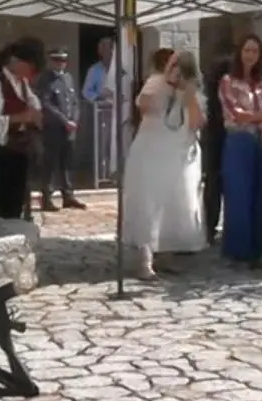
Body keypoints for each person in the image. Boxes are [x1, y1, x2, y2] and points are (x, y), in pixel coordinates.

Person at [121, 51, 206, 279]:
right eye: (174, 65)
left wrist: (188, 96)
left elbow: (196, 122)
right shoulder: (155, 82)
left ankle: (166, 255)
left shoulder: (192, 91)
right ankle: (145, 260)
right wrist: (167, 86)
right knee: (149, 203)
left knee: (174, 205)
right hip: (152, 152)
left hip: (178, 155)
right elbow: (143, 106)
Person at [219, 35, 262, 265]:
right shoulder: (228, 81)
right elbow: (235, 114)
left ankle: (256, 251)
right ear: (239, 53)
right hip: (239, 141)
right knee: (239, 195)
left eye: (255, 51)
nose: (251, 55)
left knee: (260, 196)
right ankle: (237, 252)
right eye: (247, 50)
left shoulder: (260, 84)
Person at [0, 38, 44, 219]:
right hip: (2, 150)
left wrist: (35, 116)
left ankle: (13, 226)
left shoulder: (23, 84)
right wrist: (20, 118)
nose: (30, 73)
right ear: (15, 61)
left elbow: (34, 106)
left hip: (20, 149)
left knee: (16, 199)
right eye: (28, 67)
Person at [38, 47, 86, 211]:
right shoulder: (45, 79)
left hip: (69, 129)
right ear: (51, 61)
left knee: (67, 162)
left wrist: (74, 120)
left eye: (63, 60)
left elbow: (74, 102)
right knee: (50, 163)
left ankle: (68, 195)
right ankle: (47, 197)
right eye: (57, 60)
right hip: (53, 128)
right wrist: (64, 120)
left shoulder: (68, 78)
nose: (60, 64)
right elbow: (46, 103)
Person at [82, 37, 128, 181]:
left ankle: (119, 174)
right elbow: (86, 91)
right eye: (105, 50)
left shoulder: (122, 69)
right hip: (103, 114)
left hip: (122, 113)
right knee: (103, 145)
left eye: (111, 50)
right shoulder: (94, 70)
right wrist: (99, 97)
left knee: (121, 143)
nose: (109, 53)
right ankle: (103, 175)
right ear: (100, 52)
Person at [201, 53, 233, 246]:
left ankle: (210, 229)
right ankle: (222, 227)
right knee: (219, 184)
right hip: (221, 137)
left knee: (213, 186)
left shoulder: (209, 92)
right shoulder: (224, 91)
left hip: (213, 138)